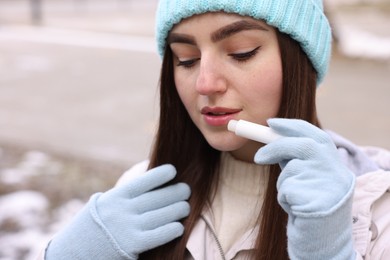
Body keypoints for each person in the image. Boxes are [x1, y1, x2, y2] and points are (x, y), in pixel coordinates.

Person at [41, 0, 390, 259]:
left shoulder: (376, 210)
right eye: (186, 59)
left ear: (301, 60)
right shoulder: (137, 199)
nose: (205, 84)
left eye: (241, 53)